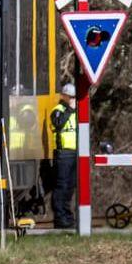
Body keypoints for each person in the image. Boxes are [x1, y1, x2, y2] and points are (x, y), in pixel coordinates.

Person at [47, 84, 78, 229]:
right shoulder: (57, 111)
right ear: (64, 96)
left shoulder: (76, 111)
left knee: (70, 186)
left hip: (75, 152)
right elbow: (58, 124)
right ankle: (59, 218)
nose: (73, 100)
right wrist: (70, 109)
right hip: (63, 153)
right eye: (70, 97)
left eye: (74, 97)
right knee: (61, 186)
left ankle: (68, 216)